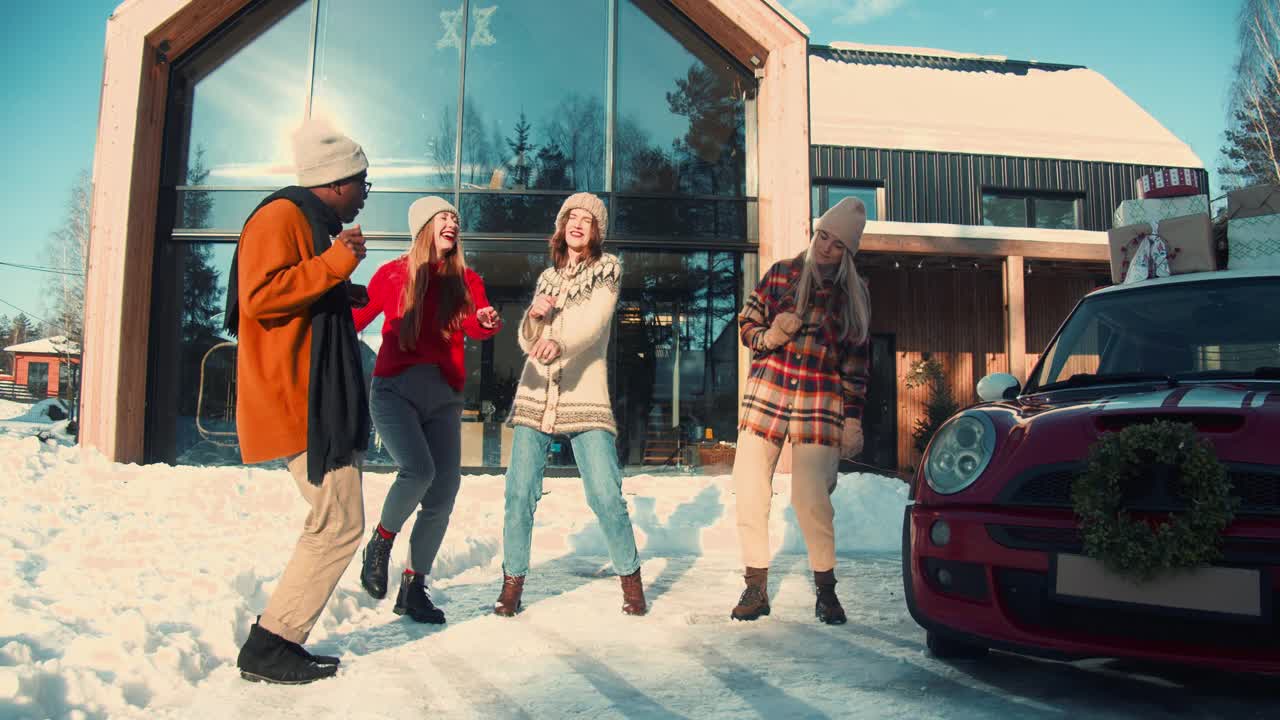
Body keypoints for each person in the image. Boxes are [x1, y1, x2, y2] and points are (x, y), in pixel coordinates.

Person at [224, 119, 372, 684]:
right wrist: (335, 265)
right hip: (300, 401)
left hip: (313, 398)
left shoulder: (308, 224)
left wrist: (340, 287)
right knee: (337, 522)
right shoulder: (280, 217)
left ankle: (275, 643)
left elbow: (295, 292)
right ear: (335, 181)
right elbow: (259, 298)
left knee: (335, 519)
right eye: (362, 183)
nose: (364, 194)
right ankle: (270, 646)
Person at [493, 192, 646, 617]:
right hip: (535, 394)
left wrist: (557, 340)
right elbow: (527, 341)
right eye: (571, 218)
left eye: (587, 220)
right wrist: (534, 318)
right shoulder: (546, 278)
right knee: (518, 492)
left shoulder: (607, 270)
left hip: (585, 396)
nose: (577, 224)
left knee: (604, 493)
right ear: (561, 228)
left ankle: (631, 581)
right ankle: (512, 583)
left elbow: (593, 324)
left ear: (597, 231)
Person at [354, 196, 501, 623]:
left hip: (443, 398)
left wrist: (488, 320)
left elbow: (476, 321)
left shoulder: (466, 279)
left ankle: (413, 588)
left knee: (442, 494)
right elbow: (355, 320)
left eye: (455, 217)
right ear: (424, 226)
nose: (452, 221)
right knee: (418, 471)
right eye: (443, 216)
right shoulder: (393, 274)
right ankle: (380, 543)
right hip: (394, 392)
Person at [729, 196, 872, 625]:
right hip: (768, 393)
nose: (825, 246)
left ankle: (826, 591)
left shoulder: (853, 297)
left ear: (848, 252)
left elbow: (856, 365)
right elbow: (745, 325)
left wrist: (852, 419)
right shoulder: (782, 275)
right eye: (822, 235)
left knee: (811, 497)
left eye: (836, 244)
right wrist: (770, 335)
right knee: (750, 487)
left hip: (818, 400)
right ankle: (755, 587)